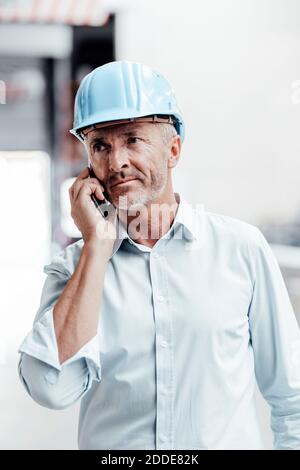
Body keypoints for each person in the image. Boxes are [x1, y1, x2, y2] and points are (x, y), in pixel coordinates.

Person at [18, 61, 300, 450]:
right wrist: (98, 247)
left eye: (133, 139)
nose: (116, 162)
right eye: (100, 145)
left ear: (173, 150)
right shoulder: (74, 268)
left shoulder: (242, 249)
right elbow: (50, 389)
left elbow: (292, 398)